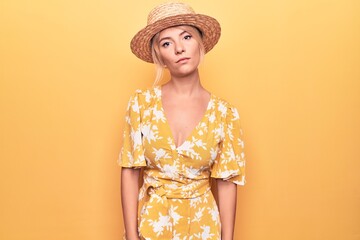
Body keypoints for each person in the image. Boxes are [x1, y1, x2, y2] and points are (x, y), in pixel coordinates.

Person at [119, 2, 246, 239]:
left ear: (200, 44)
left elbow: (227, 182)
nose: (179, 48)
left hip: (203, 229)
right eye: (167, 43)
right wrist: (131, 235)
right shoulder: (141, 104)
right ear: (160, 57)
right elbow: (129, 171)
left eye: (186, 37)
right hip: (152, 227)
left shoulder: (224, 113)